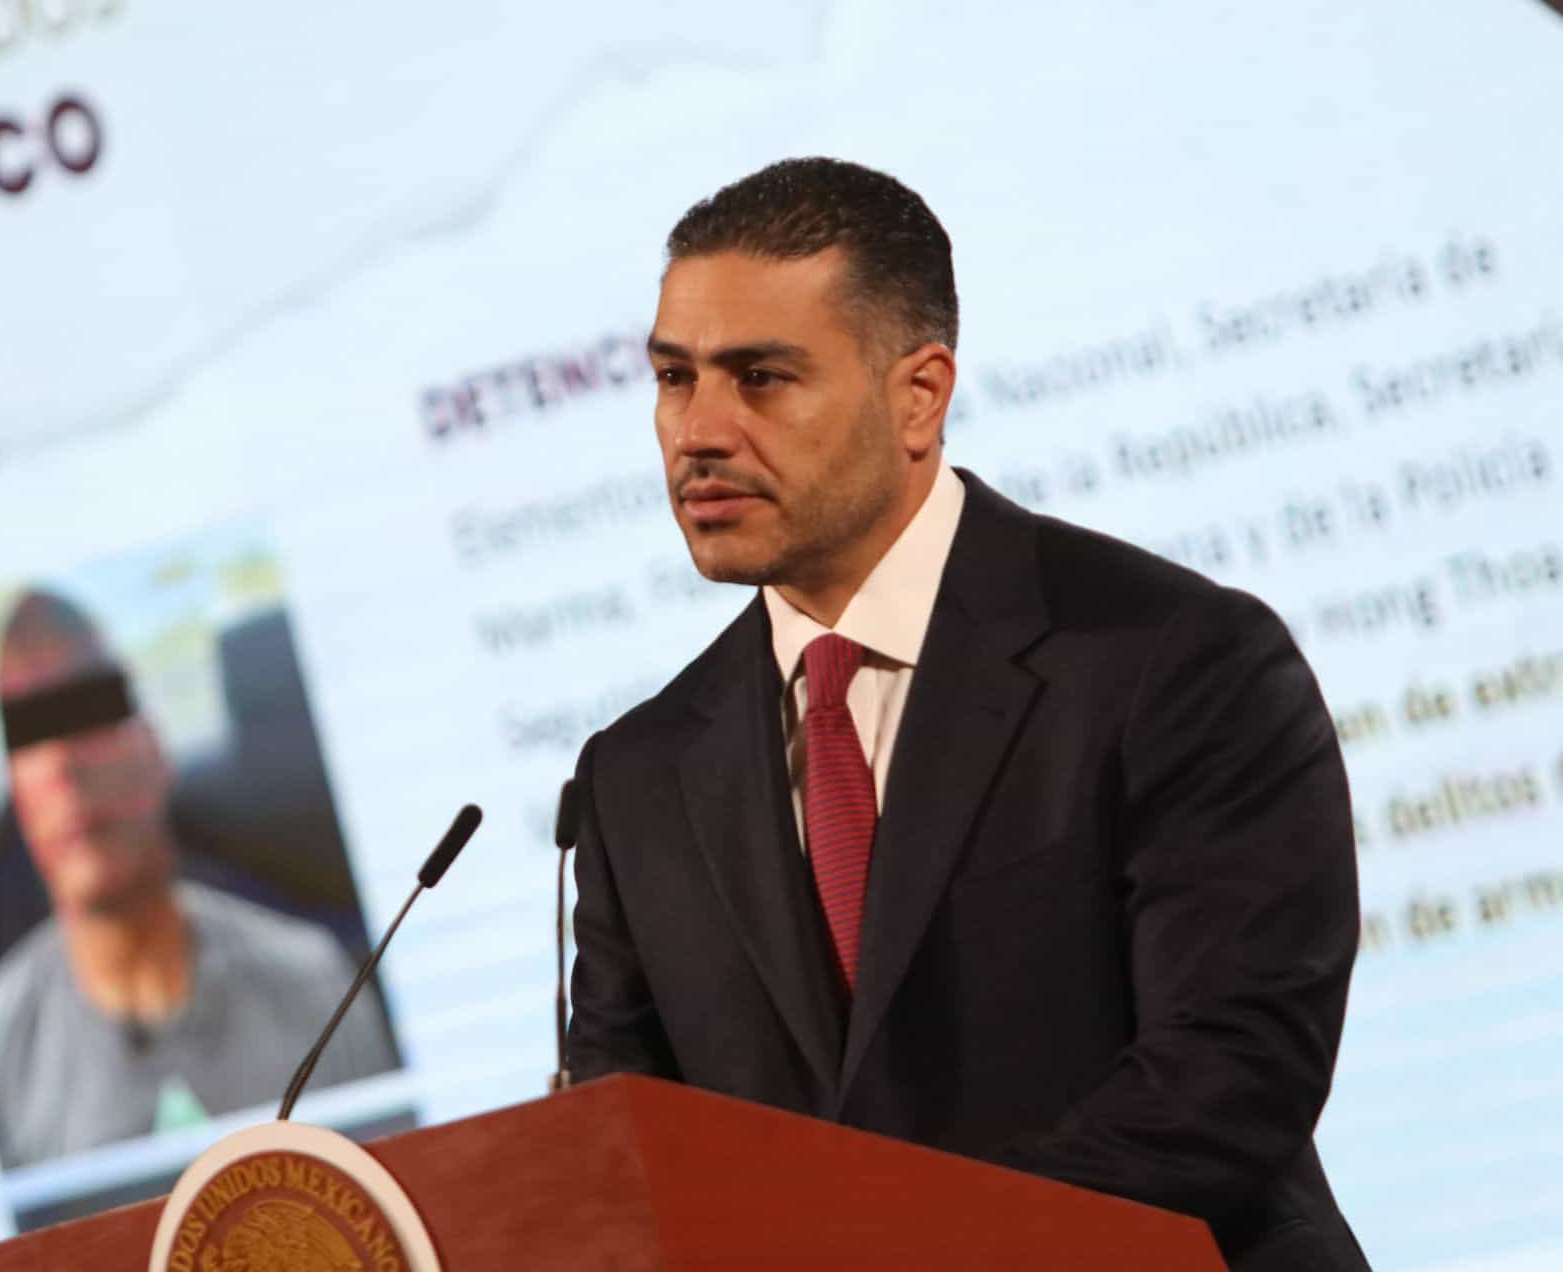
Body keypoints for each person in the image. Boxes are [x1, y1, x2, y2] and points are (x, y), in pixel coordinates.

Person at [566, 158, 1369, 1271]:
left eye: (760, 378)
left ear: (920, 395)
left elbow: (1232, 1076)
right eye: (672, 377)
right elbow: (624, 1158)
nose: (698, 431)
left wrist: (896, 1248)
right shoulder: (636, 777)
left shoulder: (1172, 658)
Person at [0, 590, 397, 1168]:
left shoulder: (321, 991)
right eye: (31, 734)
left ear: (155, 751)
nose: (64, 764)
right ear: (17, 798)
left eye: (88, 714)